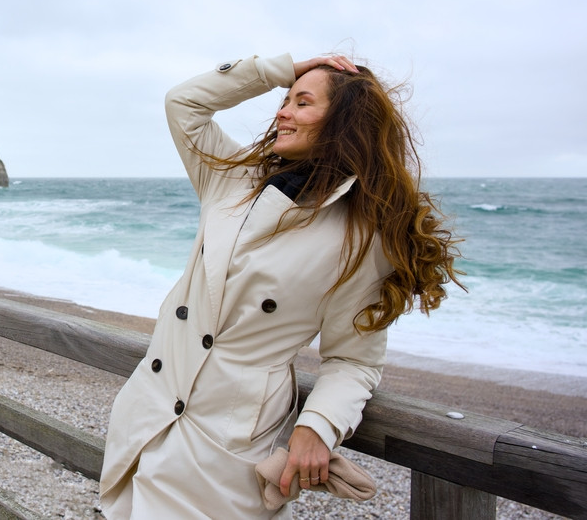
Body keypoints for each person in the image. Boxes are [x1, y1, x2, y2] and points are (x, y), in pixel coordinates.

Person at [99, 52, 462, 519]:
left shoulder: (360, 237)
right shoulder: (232, 179)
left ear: (343, 124)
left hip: (228, 445)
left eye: (302, 102)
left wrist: (319, 424)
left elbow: (354, 359)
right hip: (150, 416)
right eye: (285, 99)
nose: (281, 111)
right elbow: (183, 104)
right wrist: (282, 70)